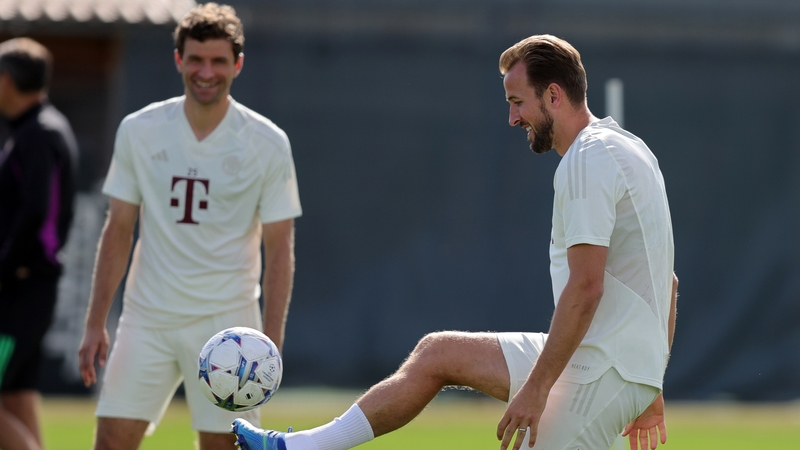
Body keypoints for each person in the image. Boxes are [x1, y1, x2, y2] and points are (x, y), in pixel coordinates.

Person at [232, 34, 678, 450]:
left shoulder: (588, 158)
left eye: (518, 101)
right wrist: (650, 384)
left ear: (555, 95)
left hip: (601, 372)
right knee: (438, 353)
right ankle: (298, 447)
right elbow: (668, 284)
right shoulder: (631, 147)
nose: (512, 117)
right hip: (610, 364)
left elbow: (586, 287)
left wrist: (537, 390)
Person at [77, 3, 302, 450]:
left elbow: (279, 248)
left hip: (229, 322)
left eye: (219, 61)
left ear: (237, 65)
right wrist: (95, 322)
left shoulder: (268, 142)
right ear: (178, 60)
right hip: (148, 316)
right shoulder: (138, 130)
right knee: (110, 444)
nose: (206, 71)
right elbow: (119, 228)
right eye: (196, 59)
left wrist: (268, 345)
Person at [0, 37, 79, 450]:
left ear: (8, 80)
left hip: (22, 290)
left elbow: (37, 216)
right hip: (25, 288)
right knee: (15, 395)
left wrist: (5, 266)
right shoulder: (34, 130)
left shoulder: (39, 134)